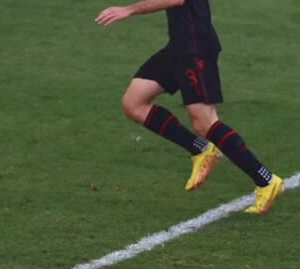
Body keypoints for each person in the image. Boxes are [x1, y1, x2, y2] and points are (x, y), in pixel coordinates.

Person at [95, 0, 284, 214]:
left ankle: (266, 181)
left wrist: (128, 10)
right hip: (178, 47)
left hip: (196, 50)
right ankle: (200, 148)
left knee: (205, 122)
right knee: (133, 102)